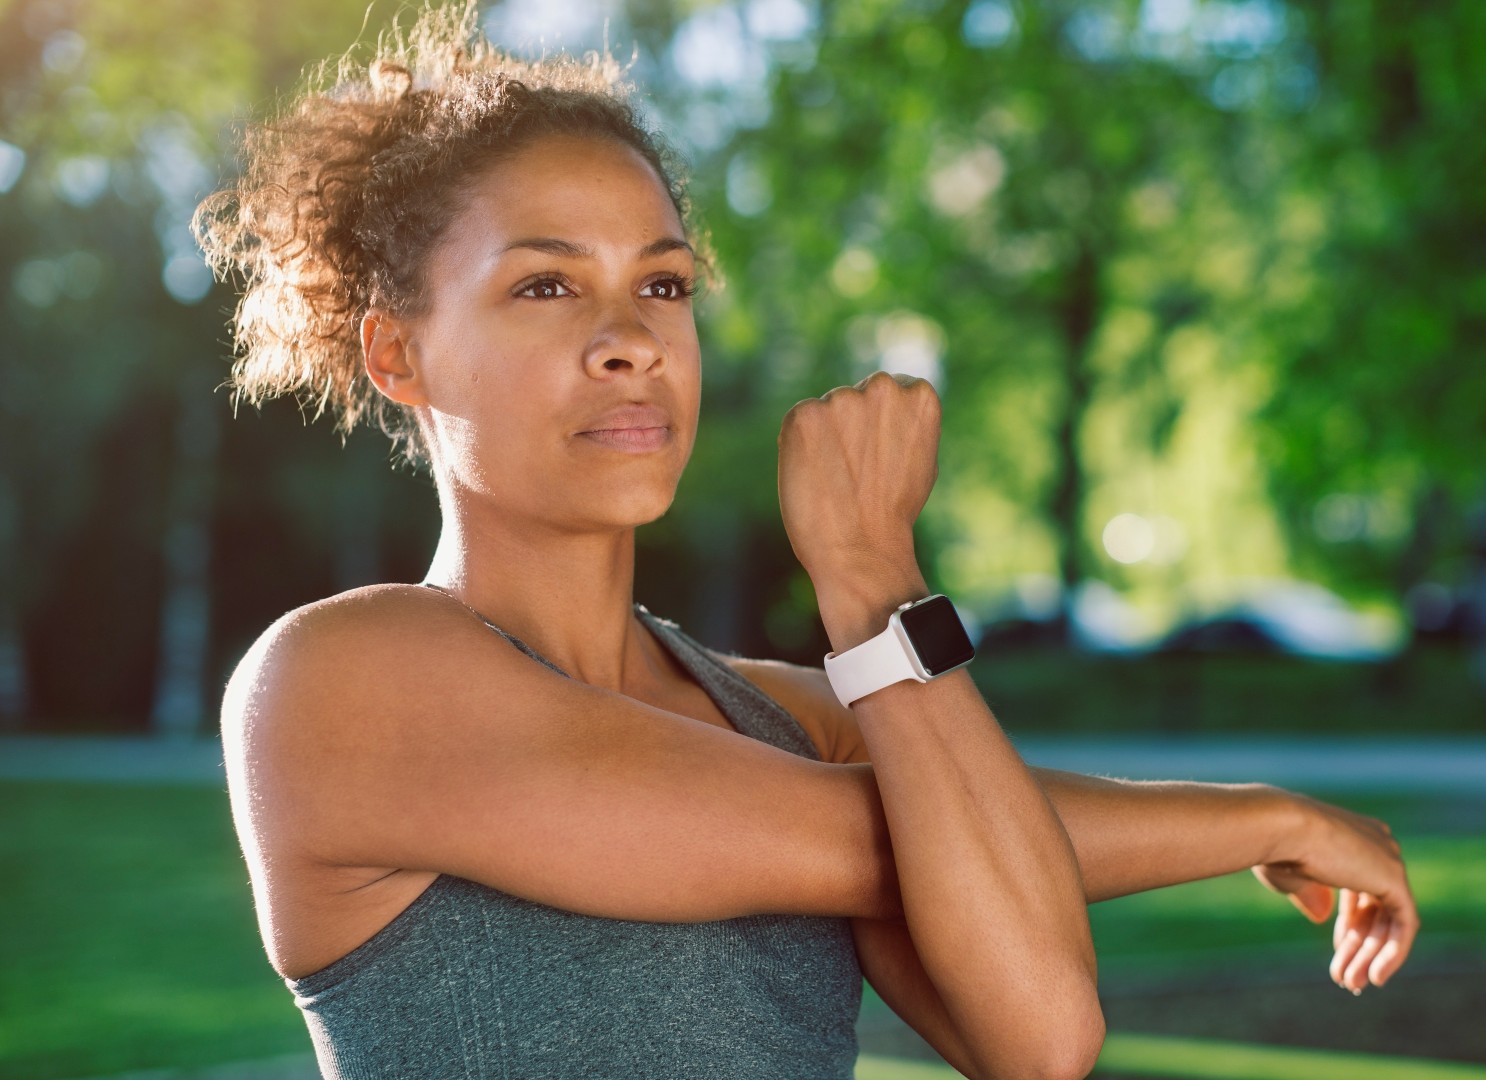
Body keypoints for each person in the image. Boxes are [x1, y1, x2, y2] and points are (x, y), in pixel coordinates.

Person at [196, 2, 1418, 1077]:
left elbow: (1042, 1038)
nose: (631, 338)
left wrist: (1272, 812)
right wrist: (871, 574)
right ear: (396, 353)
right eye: (547, 286)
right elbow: (895, 841)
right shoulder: (338, 685)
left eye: (664, 284)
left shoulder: (799, 724)